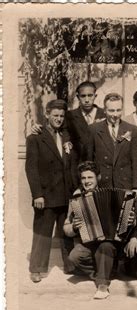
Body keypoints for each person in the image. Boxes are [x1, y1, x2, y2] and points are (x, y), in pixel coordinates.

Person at [65, 161, 133, 299]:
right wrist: (73, 227)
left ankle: (102, 285)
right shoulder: (77, 198)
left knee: (105, 246)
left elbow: (127, 220)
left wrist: (130, 219)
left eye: (90, 177)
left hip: (110, 244)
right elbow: (67, 226)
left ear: (98, 178)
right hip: (88, 243)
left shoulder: (112, 194)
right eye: (83, 178)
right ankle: (105, 272)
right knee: (74, 257)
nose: (87, 181)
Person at [25, 99, 77, 283]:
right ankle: (37, 267)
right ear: (47, 115)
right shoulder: (35, 137)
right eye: (55, 115)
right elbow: (31, 169)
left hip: (65, 194)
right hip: (45, 196)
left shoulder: (67, 136)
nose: (58, 119)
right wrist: (37, 194)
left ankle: (70, 264)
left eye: (62, 116)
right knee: (43, 232)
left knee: (66, 230)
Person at [30, 81, 106, 161]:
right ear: (78, 97)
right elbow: (55, 128)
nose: (87, 100)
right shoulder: (70, 116)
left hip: (100, 164)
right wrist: (38, 128)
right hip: (78, 165)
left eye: (90, 95)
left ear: (95, 96)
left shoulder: (104, 115)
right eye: (83, 96)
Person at [87, 93, 137, 196]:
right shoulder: (94, 129)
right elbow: (89, 161)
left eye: (118, 110)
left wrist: (136, 187)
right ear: (104, 110)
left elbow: (136, 161)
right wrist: (89, 184)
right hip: (101, 185)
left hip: (125, 185)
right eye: (111, 110)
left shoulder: (132, 129)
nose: (115, 115)